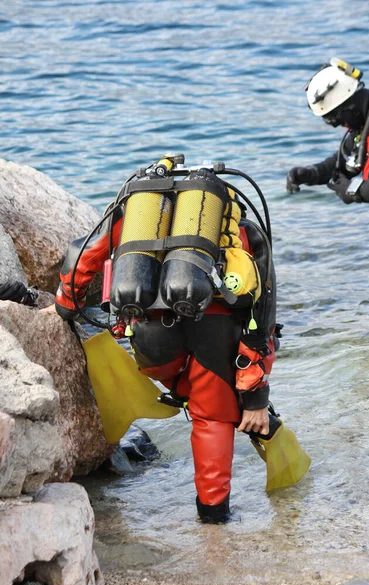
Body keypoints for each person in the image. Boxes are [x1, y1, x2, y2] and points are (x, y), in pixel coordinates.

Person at [55, 155, 309, 523]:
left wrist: (65, 302)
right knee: (211, 416)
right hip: (215, 333)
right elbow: (262, 312)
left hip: (151, 341)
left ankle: (192, 398)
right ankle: (214, 517)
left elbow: (82, 256)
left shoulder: (137, 218)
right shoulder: (238, 228)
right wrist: (255, 392)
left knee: (188, 387)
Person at [286, 57, 369, 245]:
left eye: (334, 117)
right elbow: (342, 162)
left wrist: (350, 192)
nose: (335, 125)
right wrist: (310, 174)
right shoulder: (367, 123)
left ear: (349, 104)